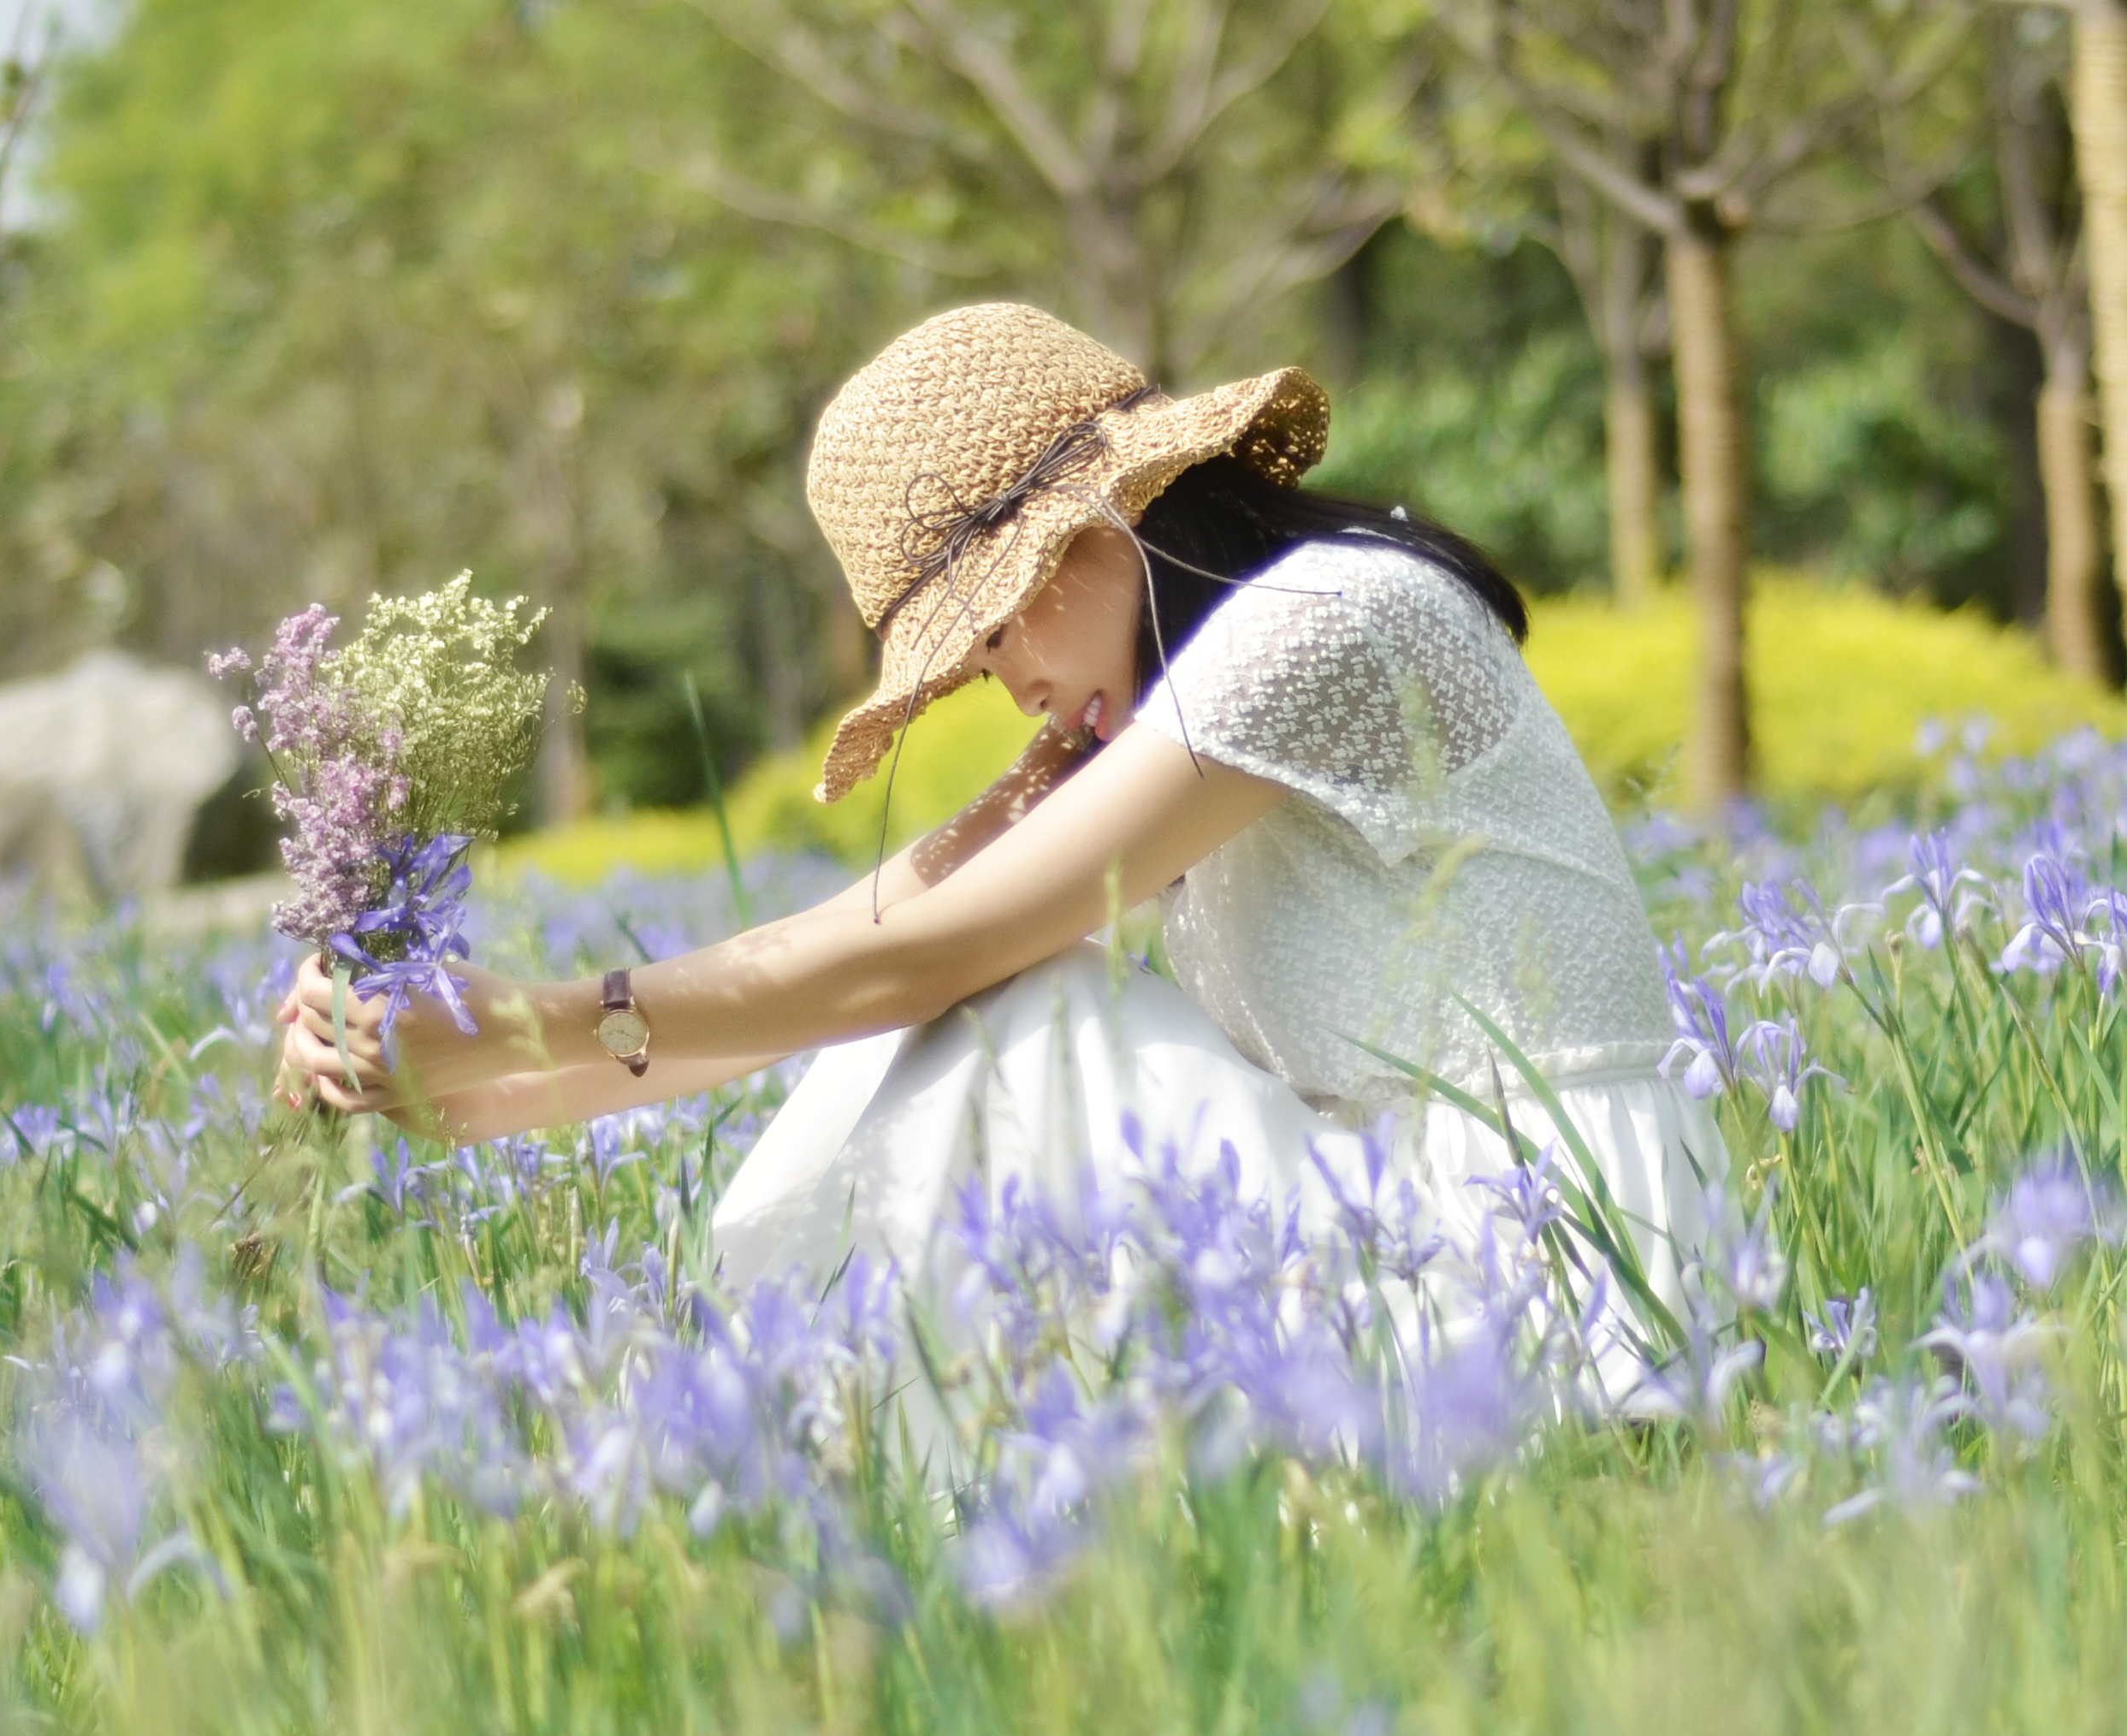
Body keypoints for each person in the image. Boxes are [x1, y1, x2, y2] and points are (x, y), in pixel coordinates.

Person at [276, 303, 1726, 1420]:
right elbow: (856, 936)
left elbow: (916, 964)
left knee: (1019, 1009)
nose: (1005, 687)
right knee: (961, 1003)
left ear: (1097, 525)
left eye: (991, 634)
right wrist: (459, 1081)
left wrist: (510, 1025)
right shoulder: (1169, 709)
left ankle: (814, 1458)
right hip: (1401, 1224)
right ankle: (817, 1446)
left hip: (1551, 1262)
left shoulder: (1329, 622)